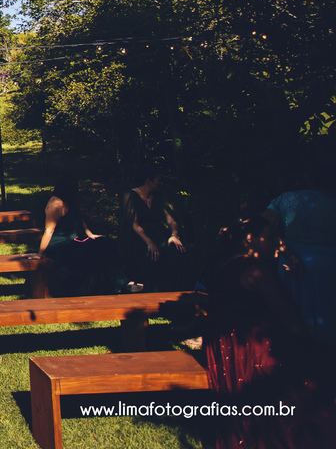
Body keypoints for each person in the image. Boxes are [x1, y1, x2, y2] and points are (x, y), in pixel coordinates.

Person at [202, 215, 335, 449]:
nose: (277, 243)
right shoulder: (257, 273)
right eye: (271, 237)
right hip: (247, 350)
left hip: (222, 347)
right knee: (317, 376)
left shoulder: (228, 264)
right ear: (250, 239)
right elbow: (294, 324)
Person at [263, 162, 336, 347]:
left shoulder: (287, 199)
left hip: (292, 262)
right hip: (329, 265)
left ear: (307, 178)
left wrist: (283, 247)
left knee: (294, 309)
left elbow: (261, 227)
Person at [30, 178, 135, 297]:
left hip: (73, 240)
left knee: (107, 243)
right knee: (88, 251)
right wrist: (40, 254)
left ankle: (119, 282)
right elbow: (49, 230)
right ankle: (110, 286)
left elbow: (80, 220)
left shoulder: (69, 201)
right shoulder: (55, 204)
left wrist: (91, 234)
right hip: (58, 244)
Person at [118, 170, 192, 291]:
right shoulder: (130, 195)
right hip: (139, 236)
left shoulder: (159, 196)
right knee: (149, 255)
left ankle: (176, 292)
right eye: (159, 180)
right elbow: (133, 223)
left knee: (176, 252)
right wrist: (149, 242)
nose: (161, 183)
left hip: (159, 235)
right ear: (149, 181)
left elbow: (171, 219)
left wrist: (174, 235)